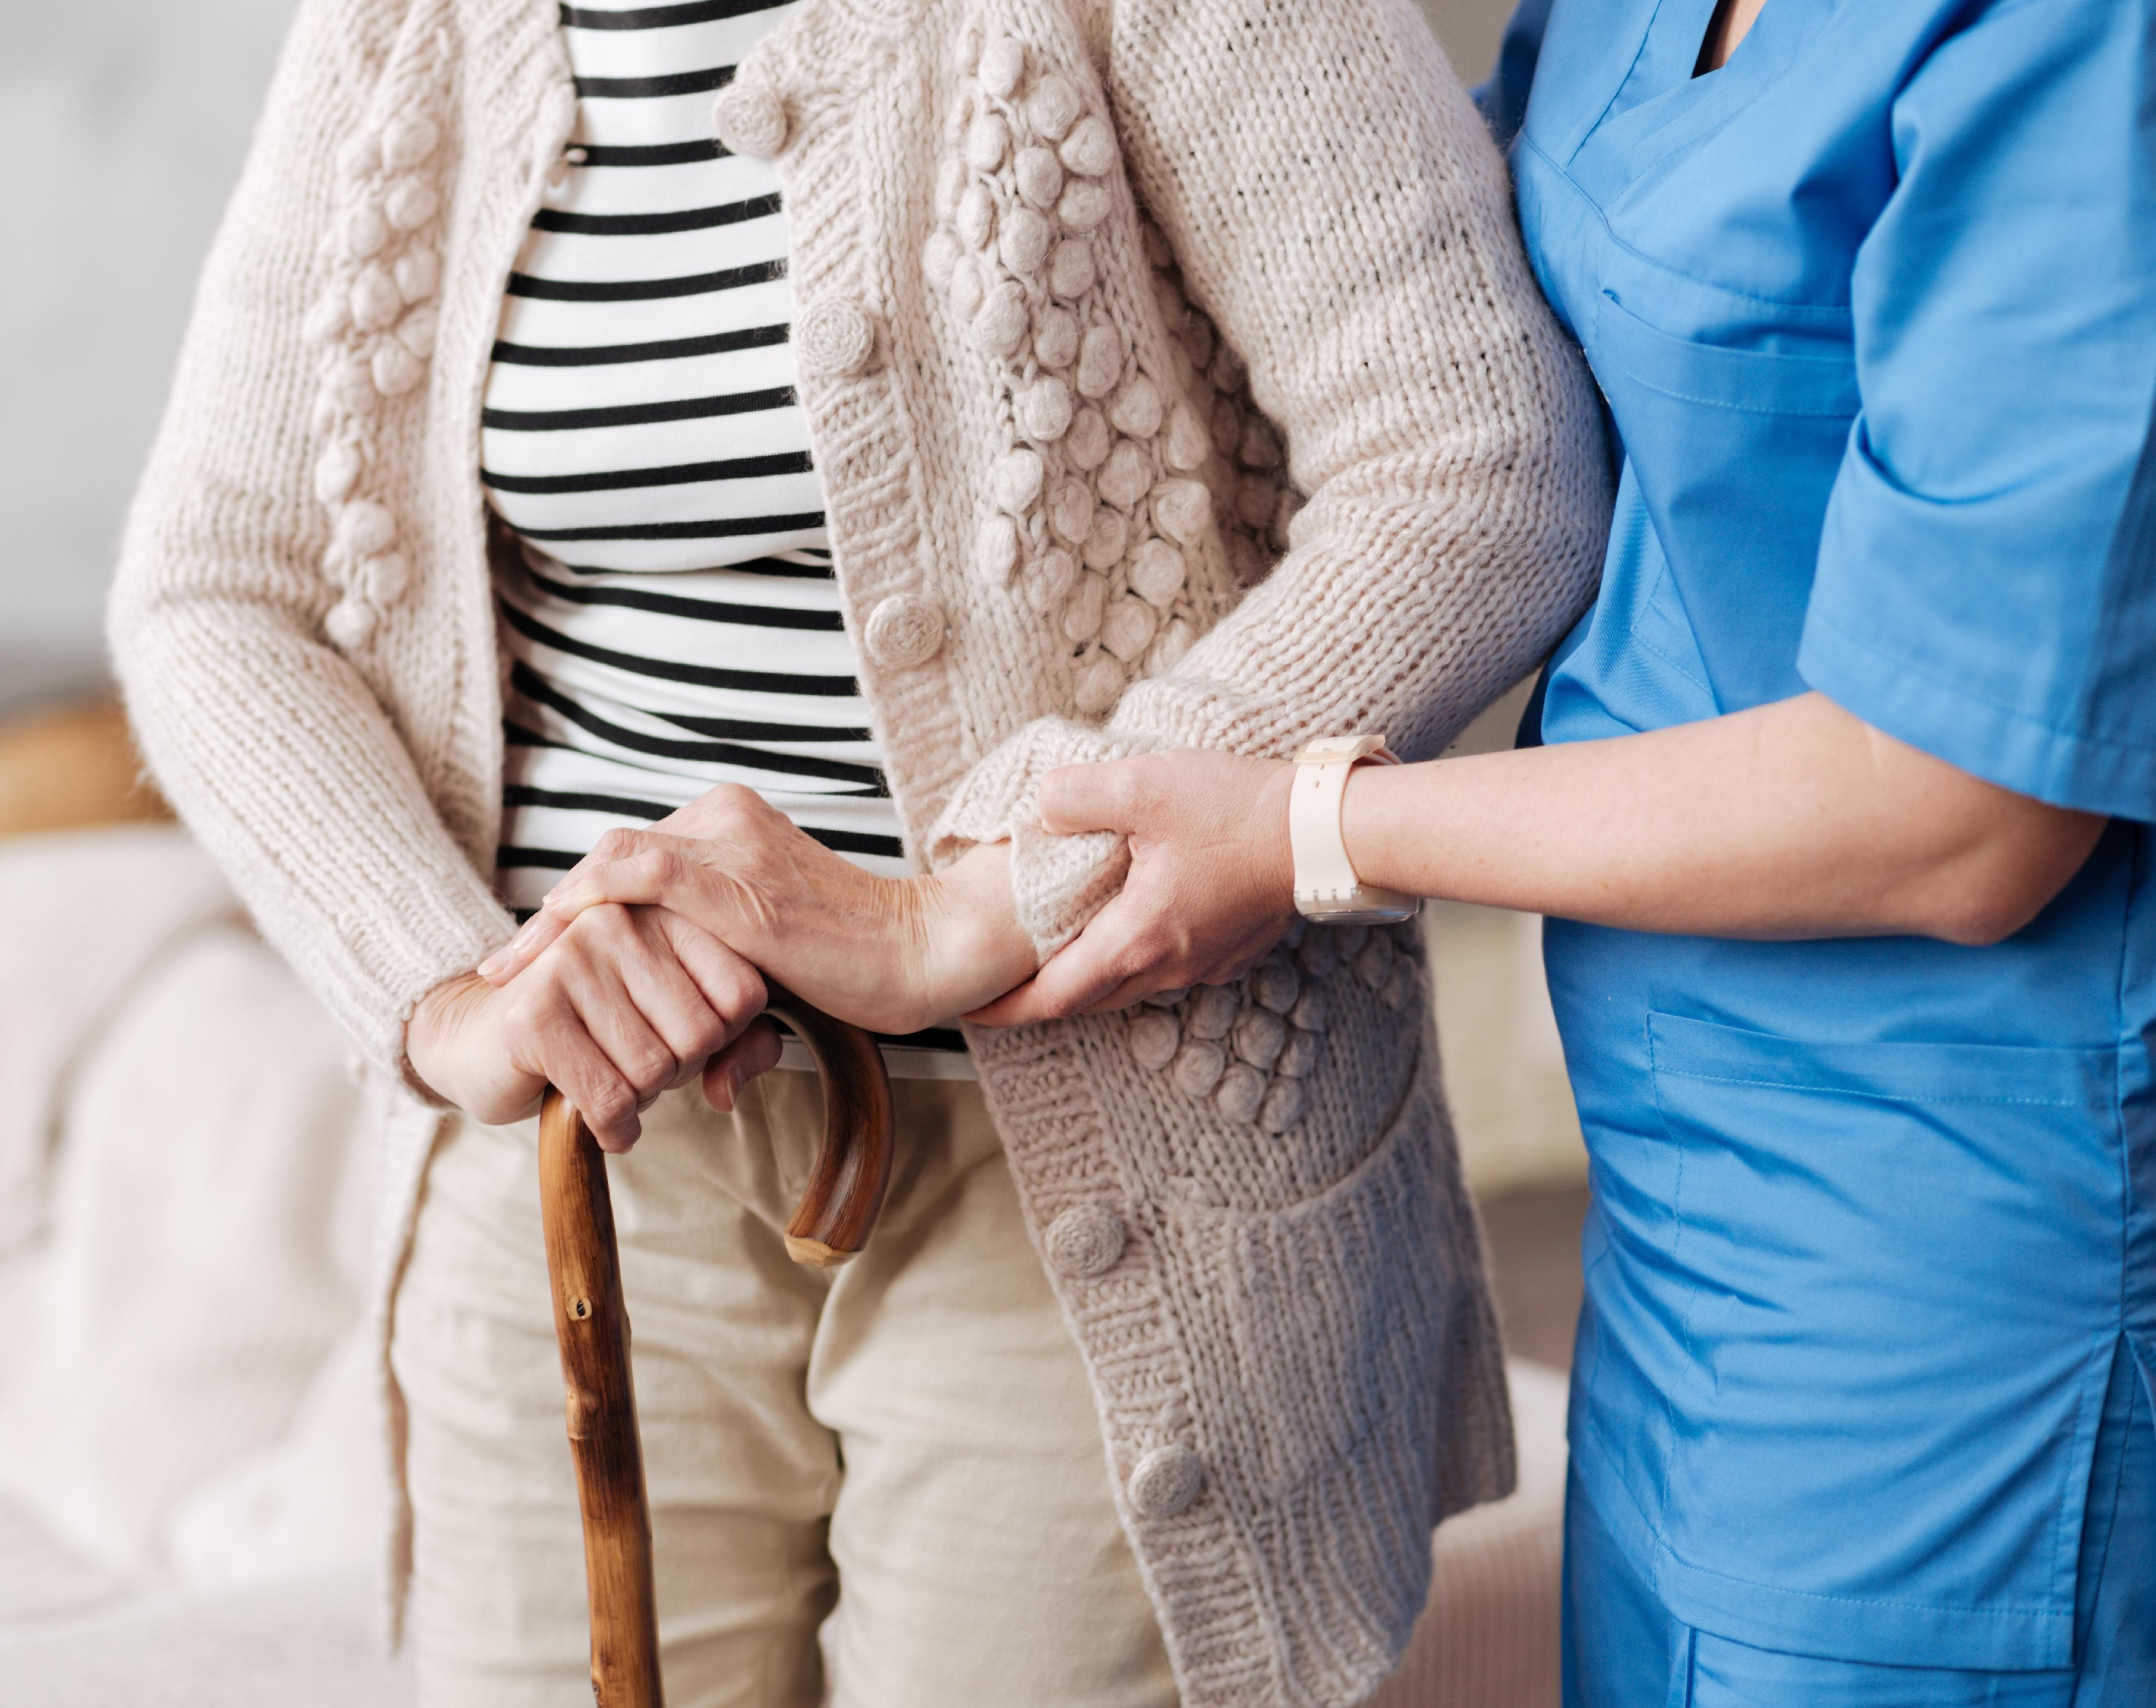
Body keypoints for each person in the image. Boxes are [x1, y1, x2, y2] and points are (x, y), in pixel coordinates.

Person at [602, 0, 2156, 1700]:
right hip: (1684, 1181)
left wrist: (1307, 827)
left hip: (1963, 1221)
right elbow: (1419, 292)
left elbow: (1962, 807)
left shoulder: (2078, 43)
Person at [107, 0, 1611, 1699]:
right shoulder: (405, 27)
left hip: (1097, 1140)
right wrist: (444, 988)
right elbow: (219, 589)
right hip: (588, 1175)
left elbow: (1481, 460)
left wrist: (991, 893)